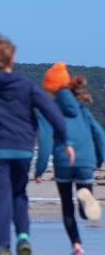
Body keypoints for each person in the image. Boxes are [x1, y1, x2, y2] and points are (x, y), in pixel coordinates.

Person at [0, 32, 75, 255]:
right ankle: (23, 237)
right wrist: (66, 140)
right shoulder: (26, 85)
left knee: (0, 199)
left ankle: (2, 246)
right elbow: (51, 112)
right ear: (13, 60)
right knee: (19, 194)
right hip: (22, 151)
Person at [35, 62, 104, 255]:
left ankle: (77, 247)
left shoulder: (47, 109)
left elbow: (45, 142)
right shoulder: (81, 108)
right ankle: (85, 202)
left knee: (67, 207)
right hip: (86, 160)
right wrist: (99, 160)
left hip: (63, 161)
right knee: (84, 203)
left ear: (50, 88)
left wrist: (39, 170)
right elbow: (99, 134)